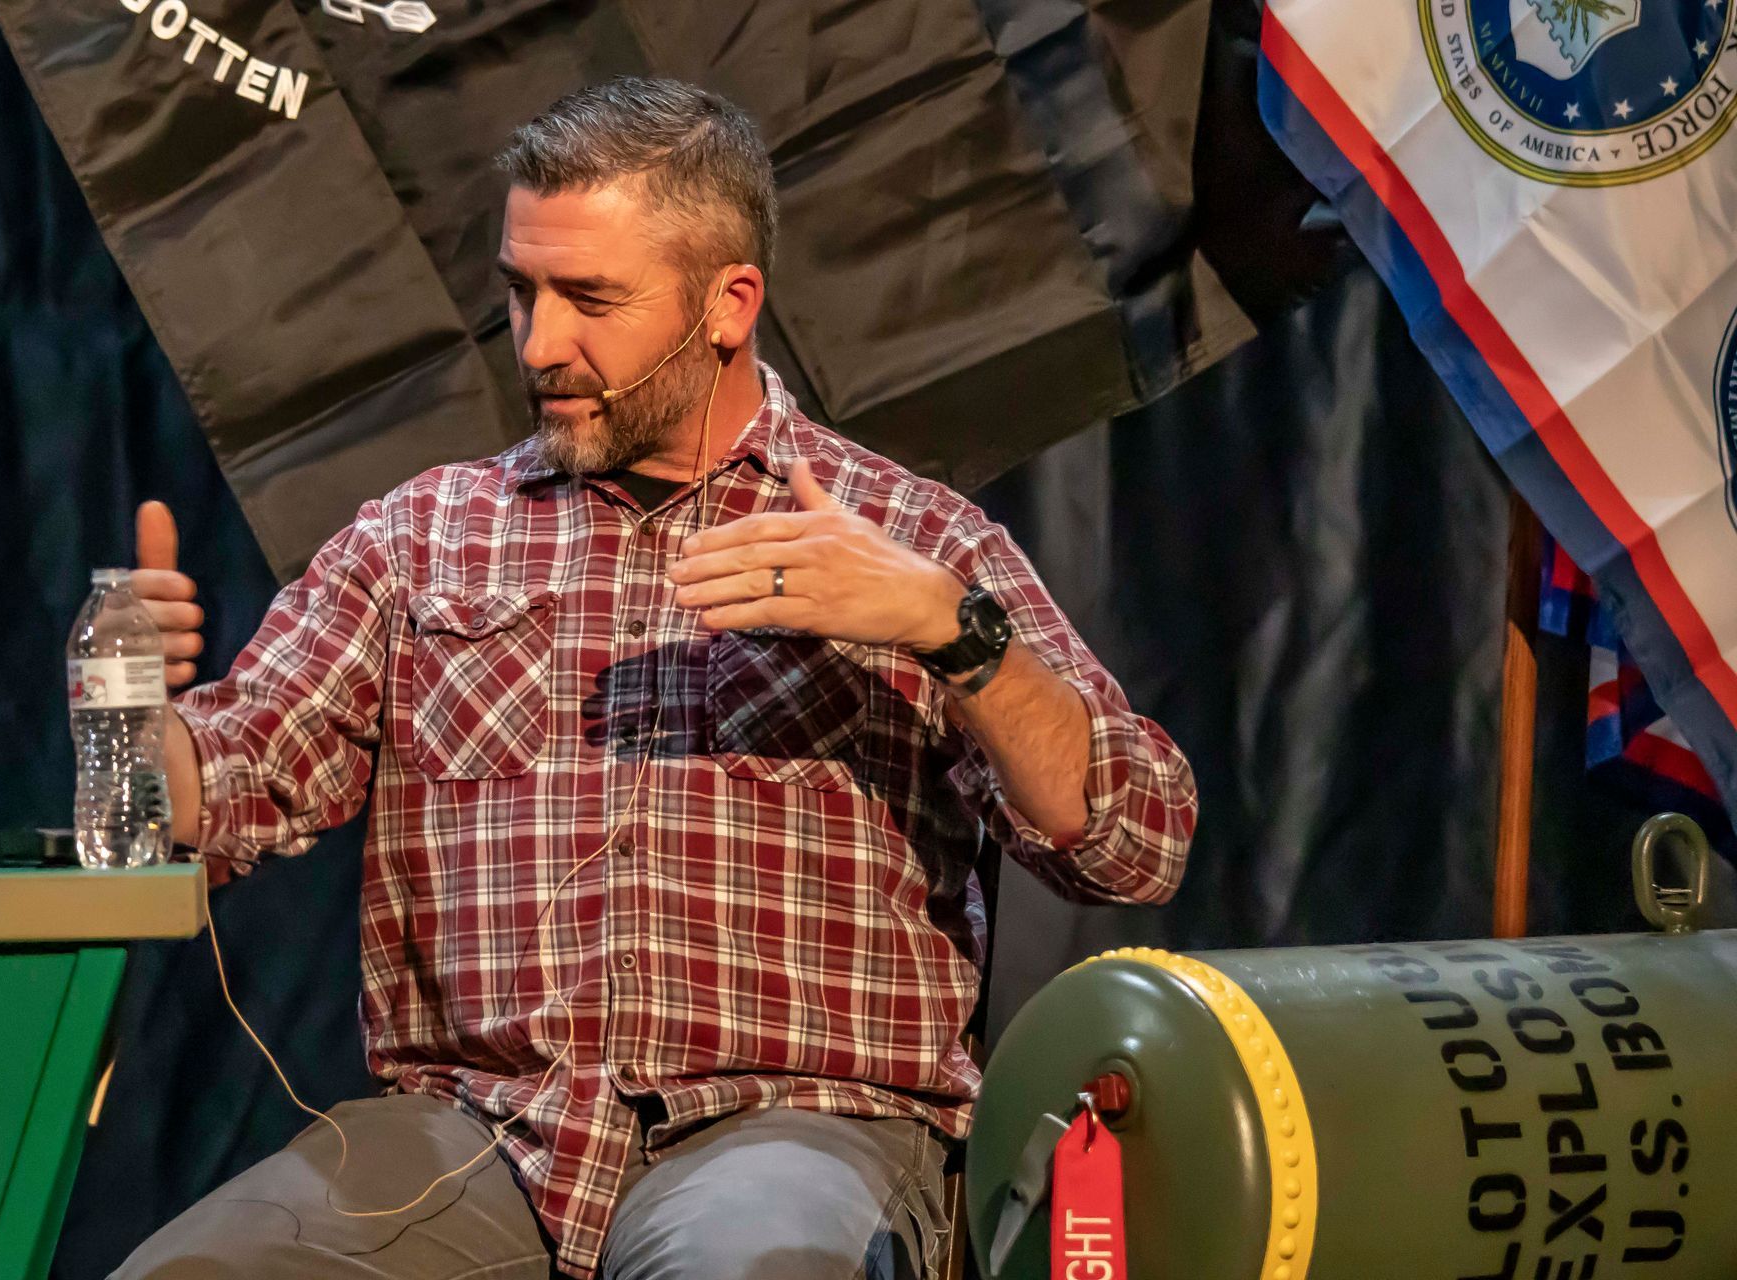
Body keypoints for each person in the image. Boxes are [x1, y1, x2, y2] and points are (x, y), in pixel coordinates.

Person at [118, 76, 1196, 1280]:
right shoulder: (421, 538)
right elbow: (221, 785)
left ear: (728, 304)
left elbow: (1135, 840)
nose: (539, 345)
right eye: (522, 292)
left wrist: (949, 627)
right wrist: (127, 711)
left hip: (796, 1119)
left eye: (591, 300)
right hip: (477, 1137)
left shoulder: (904, 534)